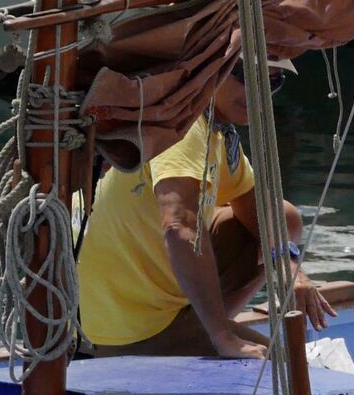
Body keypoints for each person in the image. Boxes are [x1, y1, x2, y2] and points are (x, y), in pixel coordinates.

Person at [78, 56, 334, 358]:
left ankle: (201, 325)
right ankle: (208, 331)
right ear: (209, 72)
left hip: (148, 302)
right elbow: (178, 228)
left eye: (272, 81)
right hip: (129, 327)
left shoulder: (215, 130)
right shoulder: (184, 130)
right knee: (286, 372)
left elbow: (263, 213)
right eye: (243, 75)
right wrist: (223, 338)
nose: (259, 91)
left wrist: (293, 271)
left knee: (284, 219)